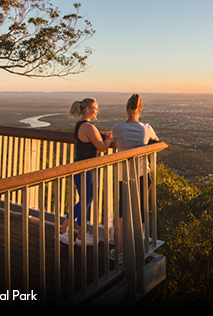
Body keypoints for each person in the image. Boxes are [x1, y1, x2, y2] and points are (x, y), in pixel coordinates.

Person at [110, 94, 158, 262]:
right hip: (143, 175)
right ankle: (138, 249)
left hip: (123, 176)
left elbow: (115, 144)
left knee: (122, 213)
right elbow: (157, 142)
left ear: (126, 109)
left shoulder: (117, 128)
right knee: (141, 212)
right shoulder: (146, 128)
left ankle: (121, 251)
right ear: (141, 110)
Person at [60, 97, 112, 246]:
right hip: (86, 169)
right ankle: (81, 237)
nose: (98, 111)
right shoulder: (88, 127)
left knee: (84, 200)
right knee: (87, 201)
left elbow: (92, 136)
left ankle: (64, 230)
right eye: (95, 108)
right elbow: (102, 147)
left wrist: (102, 134)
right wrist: (111, 138)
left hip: (79, 168)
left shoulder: (80, 125)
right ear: (88, 110)